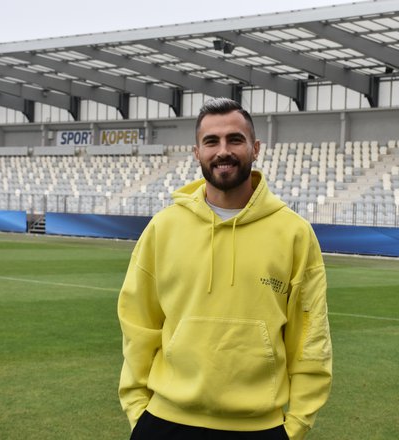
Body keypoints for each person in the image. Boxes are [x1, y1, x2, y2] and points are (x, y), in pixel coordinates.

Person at [117, 97, 333, 440]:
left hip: (258, 426)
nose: (223, 151)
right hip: (164, 421)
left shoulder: (293, 232)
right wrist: (137, 408)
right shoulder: (163, 228)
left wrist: (296, 424)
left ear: (255, 147)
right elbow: (138, 324)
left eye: (235, 139)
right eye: (211, 141)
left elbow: (309, 335)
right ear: (196, 152)